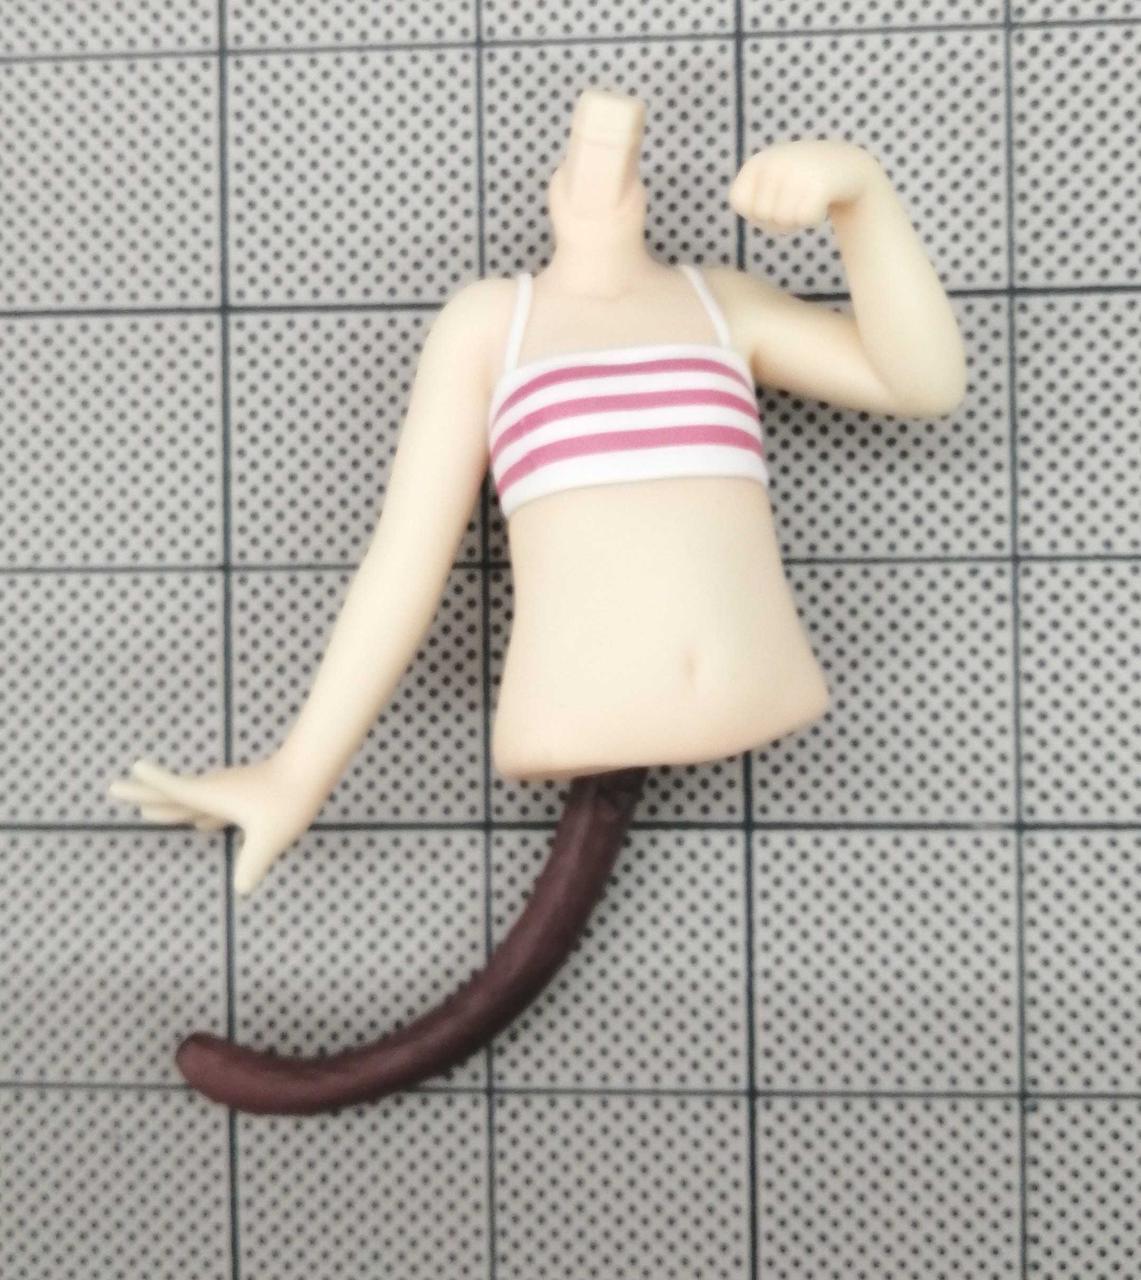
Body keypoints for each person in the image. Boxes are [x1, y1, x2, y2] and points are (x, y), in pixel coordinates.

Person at [107, 88, 966, 1113]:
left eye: (621, 158)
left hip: (757, 691)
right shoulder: (490, 323)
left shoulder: (720, 303)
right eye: (583, 158)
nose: (601, 176)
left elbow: (920, 382)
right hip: (578, 716)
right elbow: (406, 561)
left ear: (643, 191)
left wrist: (861, 200)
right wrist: (298, 770)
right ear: (552, 191)